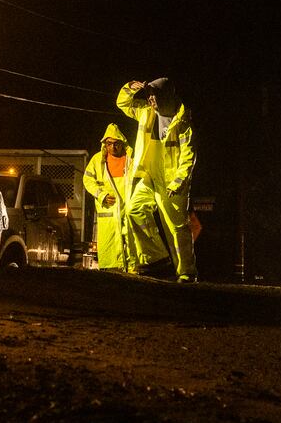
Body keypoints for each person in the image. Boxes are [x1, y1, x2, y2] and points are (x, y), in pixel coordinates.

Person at [117, 77, 197, 281]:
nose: (151, 99)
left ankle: (186, 272)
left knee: (177, 227)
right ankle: (157, 258)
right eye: (149, 95)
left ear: (166, 96)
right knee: (133, 209)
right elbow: (123, 103)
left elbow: (189, 155)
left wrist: (178, 182)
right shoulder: (145, 111)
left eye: (154, 95)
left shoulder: (183, 121)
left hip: (170, 181)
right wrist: (129, 88)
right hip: (147, 173)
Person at [83, 123, 147, 272]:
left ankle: (134, 266)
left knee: (131, 237)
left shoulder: (132, 159)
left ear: (122, 143)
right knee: (110, 239)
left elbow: (143, 178)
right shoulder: (97, 160)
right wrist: (101, 195)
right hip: (110, 209)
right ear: (104, 144)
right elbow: (87, 180)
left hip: (129, 205)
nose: (112, 147)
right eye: (109, 143)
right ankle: (113, 267)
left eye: (116, 143)